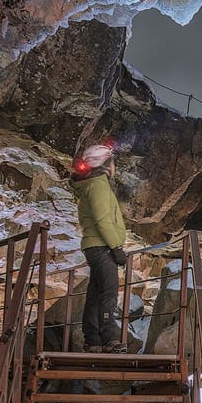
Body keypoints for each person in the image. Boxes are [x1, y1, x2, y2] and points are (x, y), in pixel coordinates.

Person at [68, 139, 128, 352]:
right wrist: (116, 248)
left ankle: (92, 339)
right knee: (109, 292)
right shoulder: (98, 186)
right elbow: (103, 219)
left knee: (95, 294)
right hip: (102, 247)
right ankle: (110, 338)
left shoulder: (92, 186)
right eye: (112, 162)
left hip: (95, 246)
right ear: (104, 164)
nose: (114, 166)